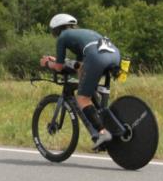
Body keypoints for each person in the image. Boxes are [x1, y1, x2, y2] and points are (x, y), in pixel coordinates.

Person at [39, 13, 121, 150]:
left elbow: (59, 67)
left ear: (57, 30)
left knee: (82, 99)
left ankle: (102, 132)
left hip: (97, 58)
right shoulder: (84, 34)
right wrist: (60, 61)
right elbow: (81, 67)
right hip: (115, 55)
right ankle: (104, 120)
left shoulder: (63, 37)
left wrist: (47, 63)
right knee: (87, 90)